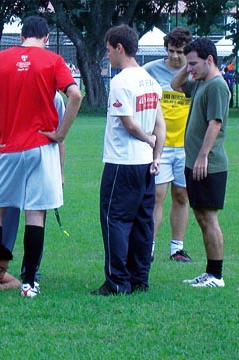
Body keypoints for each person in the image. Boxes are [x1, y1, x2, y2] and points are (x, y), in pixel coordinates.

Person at [0, 15, 82, 297]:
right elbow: (75, 96)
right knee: (35, 213)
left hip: (7, 148)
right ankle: (29, 283)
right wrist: (61, 134)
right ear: (46, 38)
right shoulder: (53, 61)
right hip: (42, 148)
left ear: (20, 37)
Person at [91, 25, 165, 296]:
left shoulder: (121, 82)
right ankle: (139, 279)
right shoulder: (151, 81)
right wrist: (156, 156)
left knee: (116, 220)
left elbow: (129, 124)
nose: (107, 55)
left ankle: (117, 282)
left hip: (122, 162)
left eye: (109, 50)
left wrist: (148, 141)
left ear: (119, 48)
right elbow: (161, 124)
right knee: (142, 222)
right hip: (146, 165)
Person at [171, 38, 229, 288]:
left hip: (208, 164)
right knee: (202, 217)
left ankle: (216, 276)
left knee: (209, 218)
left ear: (210, 60)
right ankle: (210, 272)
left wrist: (203, 156)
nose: (190, 68)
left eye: (194, 63)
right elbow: (175, 84)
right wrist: (189, 65)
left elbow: (215, 123)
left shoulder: (216, 85)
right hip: (195, 163)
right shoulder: (201, 83)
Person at [0, 92, 66, 282]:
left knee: (36, 216)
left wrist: (60, 171)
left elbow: (59, 137)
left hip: (41, 164)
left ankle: (31, 269)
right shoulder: (9, 91)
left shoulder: (55, 98)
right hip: (12, 162)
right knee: (7, 216)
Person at [143, 27, 192, 262]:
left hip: (186, 146)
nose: (174, 56)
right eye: (171, 51)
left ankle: (177, 248)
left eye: (180, 52)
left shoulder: (195, 73)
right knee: (156, 196)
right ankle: (148, 247)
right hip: (159, 146)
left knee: (182, 195)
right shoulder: (150, 70)